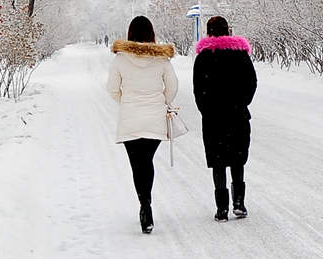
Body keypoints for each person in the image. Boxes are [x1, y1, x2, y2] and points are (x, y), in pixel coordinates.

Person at [107, 15, 179, 234]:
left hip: (131, 117)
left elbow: (112, 89)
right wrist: (162, 102)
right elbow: (173, 87)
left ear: (130, 33)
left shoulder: (120, 59)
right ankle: (146, 205)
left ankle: (144, 205)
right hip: (154, 117)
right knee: (146, 161)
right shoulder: (162, 60)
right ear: (151, 33)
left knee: (137, 164)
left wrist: (127, 101)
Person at [192, 16, 256, 220]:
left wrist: (207, 109)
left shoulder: (203, 57)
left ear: (209, 32)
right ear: (228, 30)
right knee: (238, 159)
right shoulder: (240, 55)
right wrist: (241, 103)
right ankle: (239, 203)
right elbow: (251, 83)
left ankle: (222, 209)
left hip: (213, 118)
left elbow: (198, 89)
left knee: (218, 161)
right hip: (237, 115)